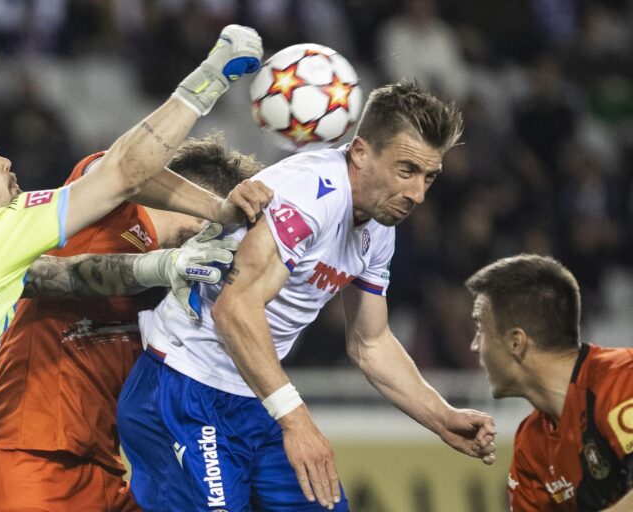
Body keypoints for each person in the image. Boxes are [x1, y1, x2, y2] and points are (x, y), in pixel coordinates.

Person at [0, 24, 264, 467]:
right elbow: (122, 170)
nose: (6, 161)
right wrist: (212, 75)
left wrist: (164, 266)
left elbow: (55, 276)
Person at [117, 81, 498, 511]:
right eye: (406, 170)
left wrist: (442, 416)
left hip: (255, 395)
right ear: (360, 153)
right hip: (183, 388)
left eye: (429, 177)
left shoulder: (378, 225)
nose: (418, 194)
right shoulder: (308, 196)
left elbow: (370, 343)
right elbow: (235, 308)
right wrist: (296, 421)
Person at [0, 135, 264, 511]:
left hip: (106, 475)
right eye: (232, 229)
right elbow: (123, 165)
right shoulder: (103, 210)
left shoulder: (178, 293)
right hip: (29, 460)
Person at [466, 254, 633, 511]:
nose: (475, 345)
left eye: (480, 330)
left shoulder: (621, 378)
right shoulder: (531, 447)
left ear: (516, 342)